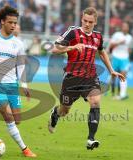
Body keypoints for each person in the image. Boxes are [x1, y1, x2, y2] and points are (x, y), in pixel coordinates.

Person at [48, 7, 125, 150]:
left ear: (95, 22)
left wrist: (112, 70)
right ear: (81, 19)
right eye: (85, 20)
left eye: (90, 22)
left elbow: (102, 53)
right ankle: (55, 114)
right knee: (65, 110)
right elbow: (54, 49)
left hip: (90, 77)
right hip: (71, 78)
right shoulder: (72, 32)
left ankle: (91, 139)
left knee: (95, 102)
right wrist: (72, 47)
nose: (87, 24)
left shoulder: (98, 37)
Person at [0, 6, 36, 157]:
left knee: (17, 120)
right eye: (10, 22)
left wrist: (24, 84)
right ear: (2, 22)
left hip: (12, 84)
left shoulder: (18, 44)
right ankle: (25, 149)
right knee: (8, 117)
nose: (14, 25)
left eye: (15, 23)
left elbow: (21, 65)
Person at [109, 22, 132, 100]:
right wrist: (119, 42)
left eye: (127, 26)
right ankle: (112, 92)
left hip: (124, 58)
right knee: (113, 76)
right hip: (116, 57)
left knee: (123, 75)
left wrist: (129, 60)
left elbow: (128, 48)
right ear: (122, 27)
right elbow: (111, 45)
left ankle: (122, 94)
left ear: (128, 28)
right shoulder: (117, 35)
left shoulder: (129, 37)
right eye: (124, 26)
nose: (125, 28)